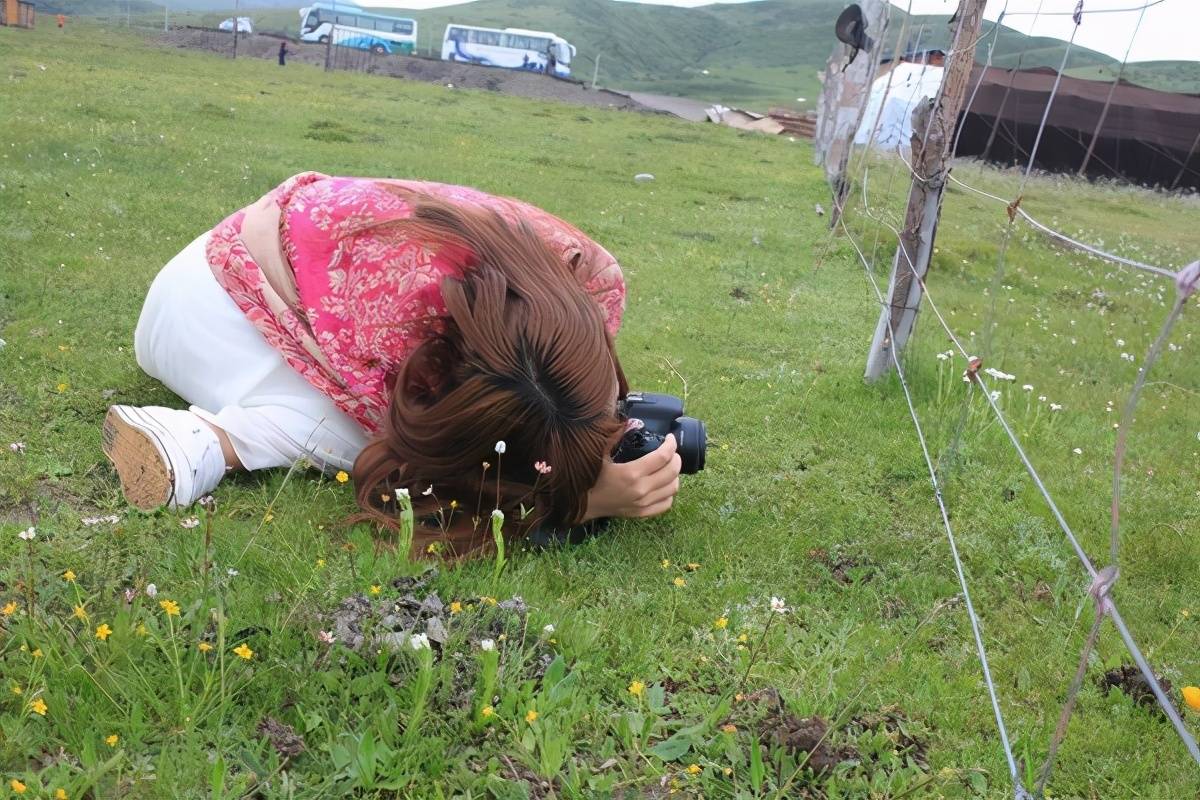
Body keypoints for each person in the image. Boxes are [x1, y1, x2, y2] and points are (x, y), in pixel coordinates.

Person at [103, 173, 682, 557]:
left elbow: (541, 377)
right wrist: (570, 501)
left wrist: (575, 429)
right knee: (358, 438)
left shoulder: (584, 272)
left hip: (228, 252)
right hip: (207, 312)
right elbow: (422, 473)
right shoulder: (409, 331)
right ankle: (205, 442)